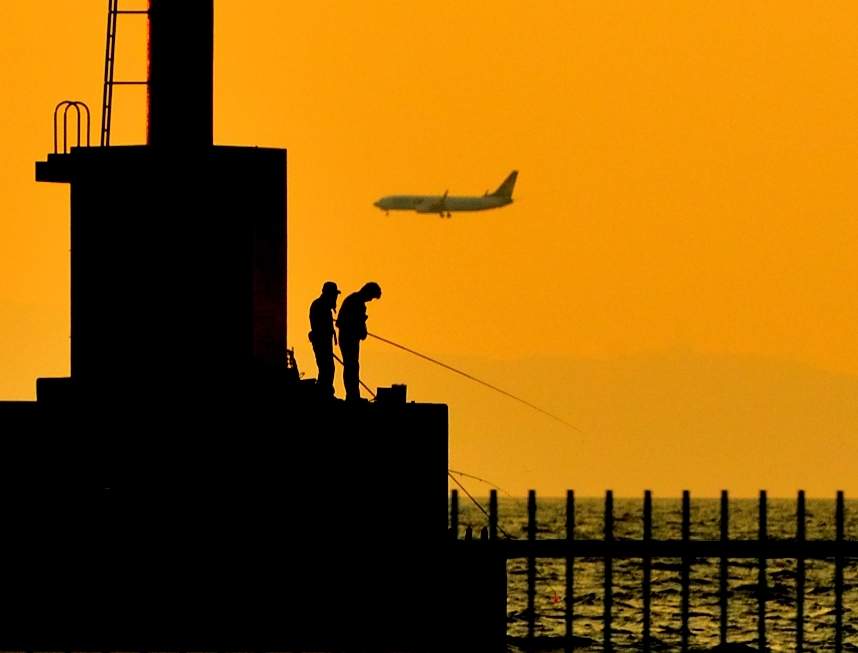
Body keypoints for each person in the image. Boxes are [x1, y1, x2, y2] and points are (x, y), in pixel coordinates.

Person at [336, 282, 382, 401]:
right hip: (349, 339)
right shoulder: (355, 303)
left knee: (352, 366)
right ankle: (352, 396)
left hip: (350, 338)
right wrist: (359, 329)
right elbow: (343, 322)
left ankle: (353, 395)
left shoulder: (354, 301)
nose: (371, 300)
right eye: (371, 297)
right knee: (351, 367)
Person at [308, 281, 341, 396]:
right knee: (327, 368)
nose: (336, 297)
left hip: (323, 342)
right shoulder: (320, 306)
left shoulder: (322, 306)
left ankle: (324, 392)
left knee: (327, 368)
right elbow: (321, 328)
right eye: (334, 295)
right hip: (321, 343)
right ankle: (323, 393)